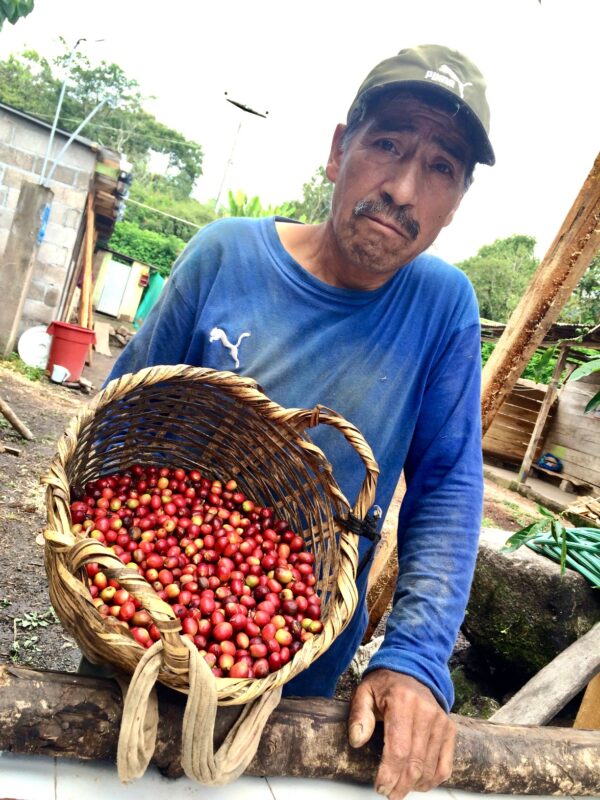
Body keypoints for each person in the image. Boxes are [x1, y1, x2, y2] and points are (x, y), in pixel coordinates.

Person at [106, 44, 495, 799]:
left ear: (455, 203)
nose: (404, 189)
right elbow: (120, 420)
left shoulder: (443, 309)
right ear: (337, 150)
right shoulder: (224, 255)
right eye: (387, 145)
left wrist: (414, 656)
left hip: (297, 666)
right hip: (143, 633)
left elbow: (447, 488)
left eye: (441, 168)